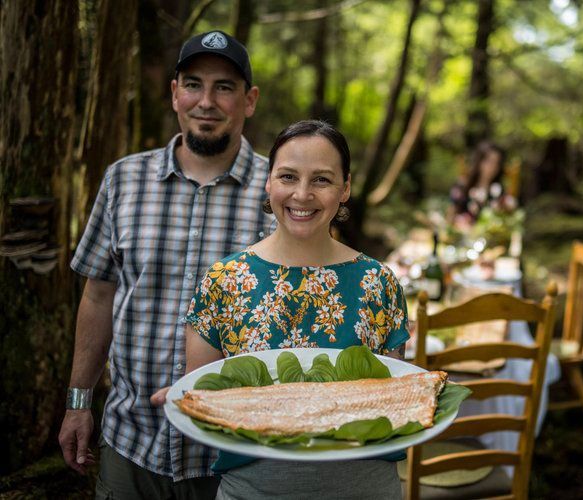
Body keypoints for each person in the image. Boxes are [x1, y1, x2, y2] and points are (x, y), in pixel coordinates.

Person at [58, 30, 274, 499]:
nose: (207, 101)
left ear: (249, 100)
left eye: (225, 87)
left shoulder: (279, 192)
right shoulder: (123, 180)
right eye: (194, 84)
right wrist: (78, 402)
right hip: (131, 444)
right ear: (174, 93)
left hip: (236, 453)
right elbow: (97, 298)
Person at [183, 120, 410, 499]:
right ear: (268, 182)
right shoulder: (225, 280)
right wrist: (181, 397)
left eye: (321, 180)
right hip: (253, 492)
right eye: (288, 176)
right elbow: (204, 398)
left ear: (345, 188)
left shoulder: (379, 283)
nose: (302, 194)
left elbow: (395, 403)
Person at [448, 140, 516, 226]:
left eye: (497, 163)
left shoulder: (499, 191)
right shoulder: (462, 186)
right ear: (479, 161)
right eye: (489, 161)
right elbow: (451, 216)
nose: (493, 167)